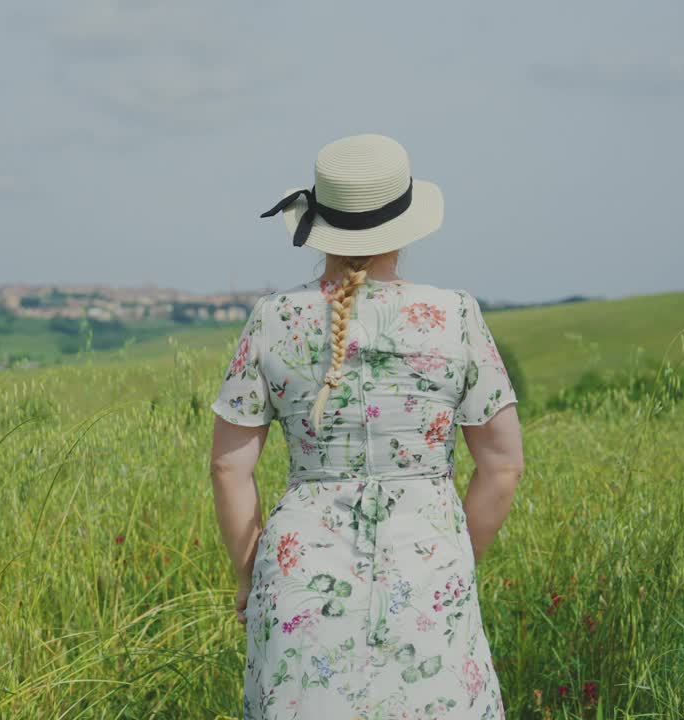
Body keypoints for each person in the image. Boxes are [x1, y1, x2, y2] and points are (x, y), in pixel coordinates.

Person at [209, 133, 524, 719]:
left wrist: (249, 572)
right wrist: (458, 555)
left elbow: (230, 465)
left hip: (300, 573)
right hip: (430, 565)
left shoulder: (272, 319)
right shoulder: (455, 316)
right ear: (404, 226)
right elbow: (502, 465)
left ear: (317, 223)